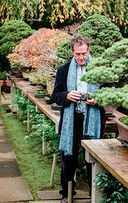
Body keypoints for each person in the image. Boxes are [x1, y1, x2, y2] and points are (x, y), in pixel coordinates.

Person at [51, 36, 106, 203]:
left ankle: (94, 194)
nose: (81, 57)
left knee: (93, 158)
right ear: (72, 52)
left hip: (93, 118)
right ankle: (67, 194)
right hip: (72, 118)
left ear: (89, 50)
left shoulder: (100, 68)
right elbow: (55, 95)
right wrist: (67, 95)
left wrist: (98, 99)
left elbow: (111, 93)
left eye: (84, 53)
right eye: (77, 54)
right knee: (69, 157)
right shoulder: (64, 70)